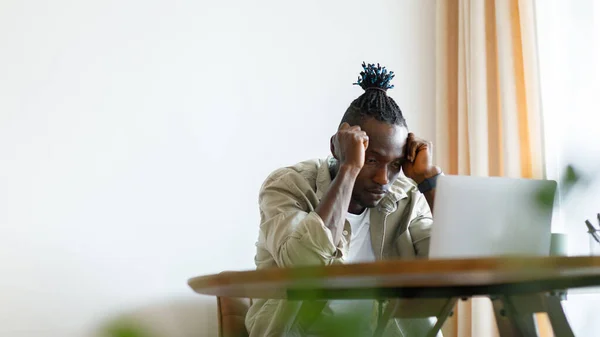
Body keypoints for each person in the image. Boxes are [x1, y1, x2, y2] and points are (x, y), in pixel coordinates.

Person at [245, 63, 444, 337]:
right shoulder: (288, 186)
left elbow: (455, 263)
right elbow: (304, 267)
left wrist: (428, 181)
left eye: (396, 164)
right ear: (338, 147)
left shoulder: (407, 197)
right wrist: (350, 169)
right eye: (371, 160)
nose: (384, 179)